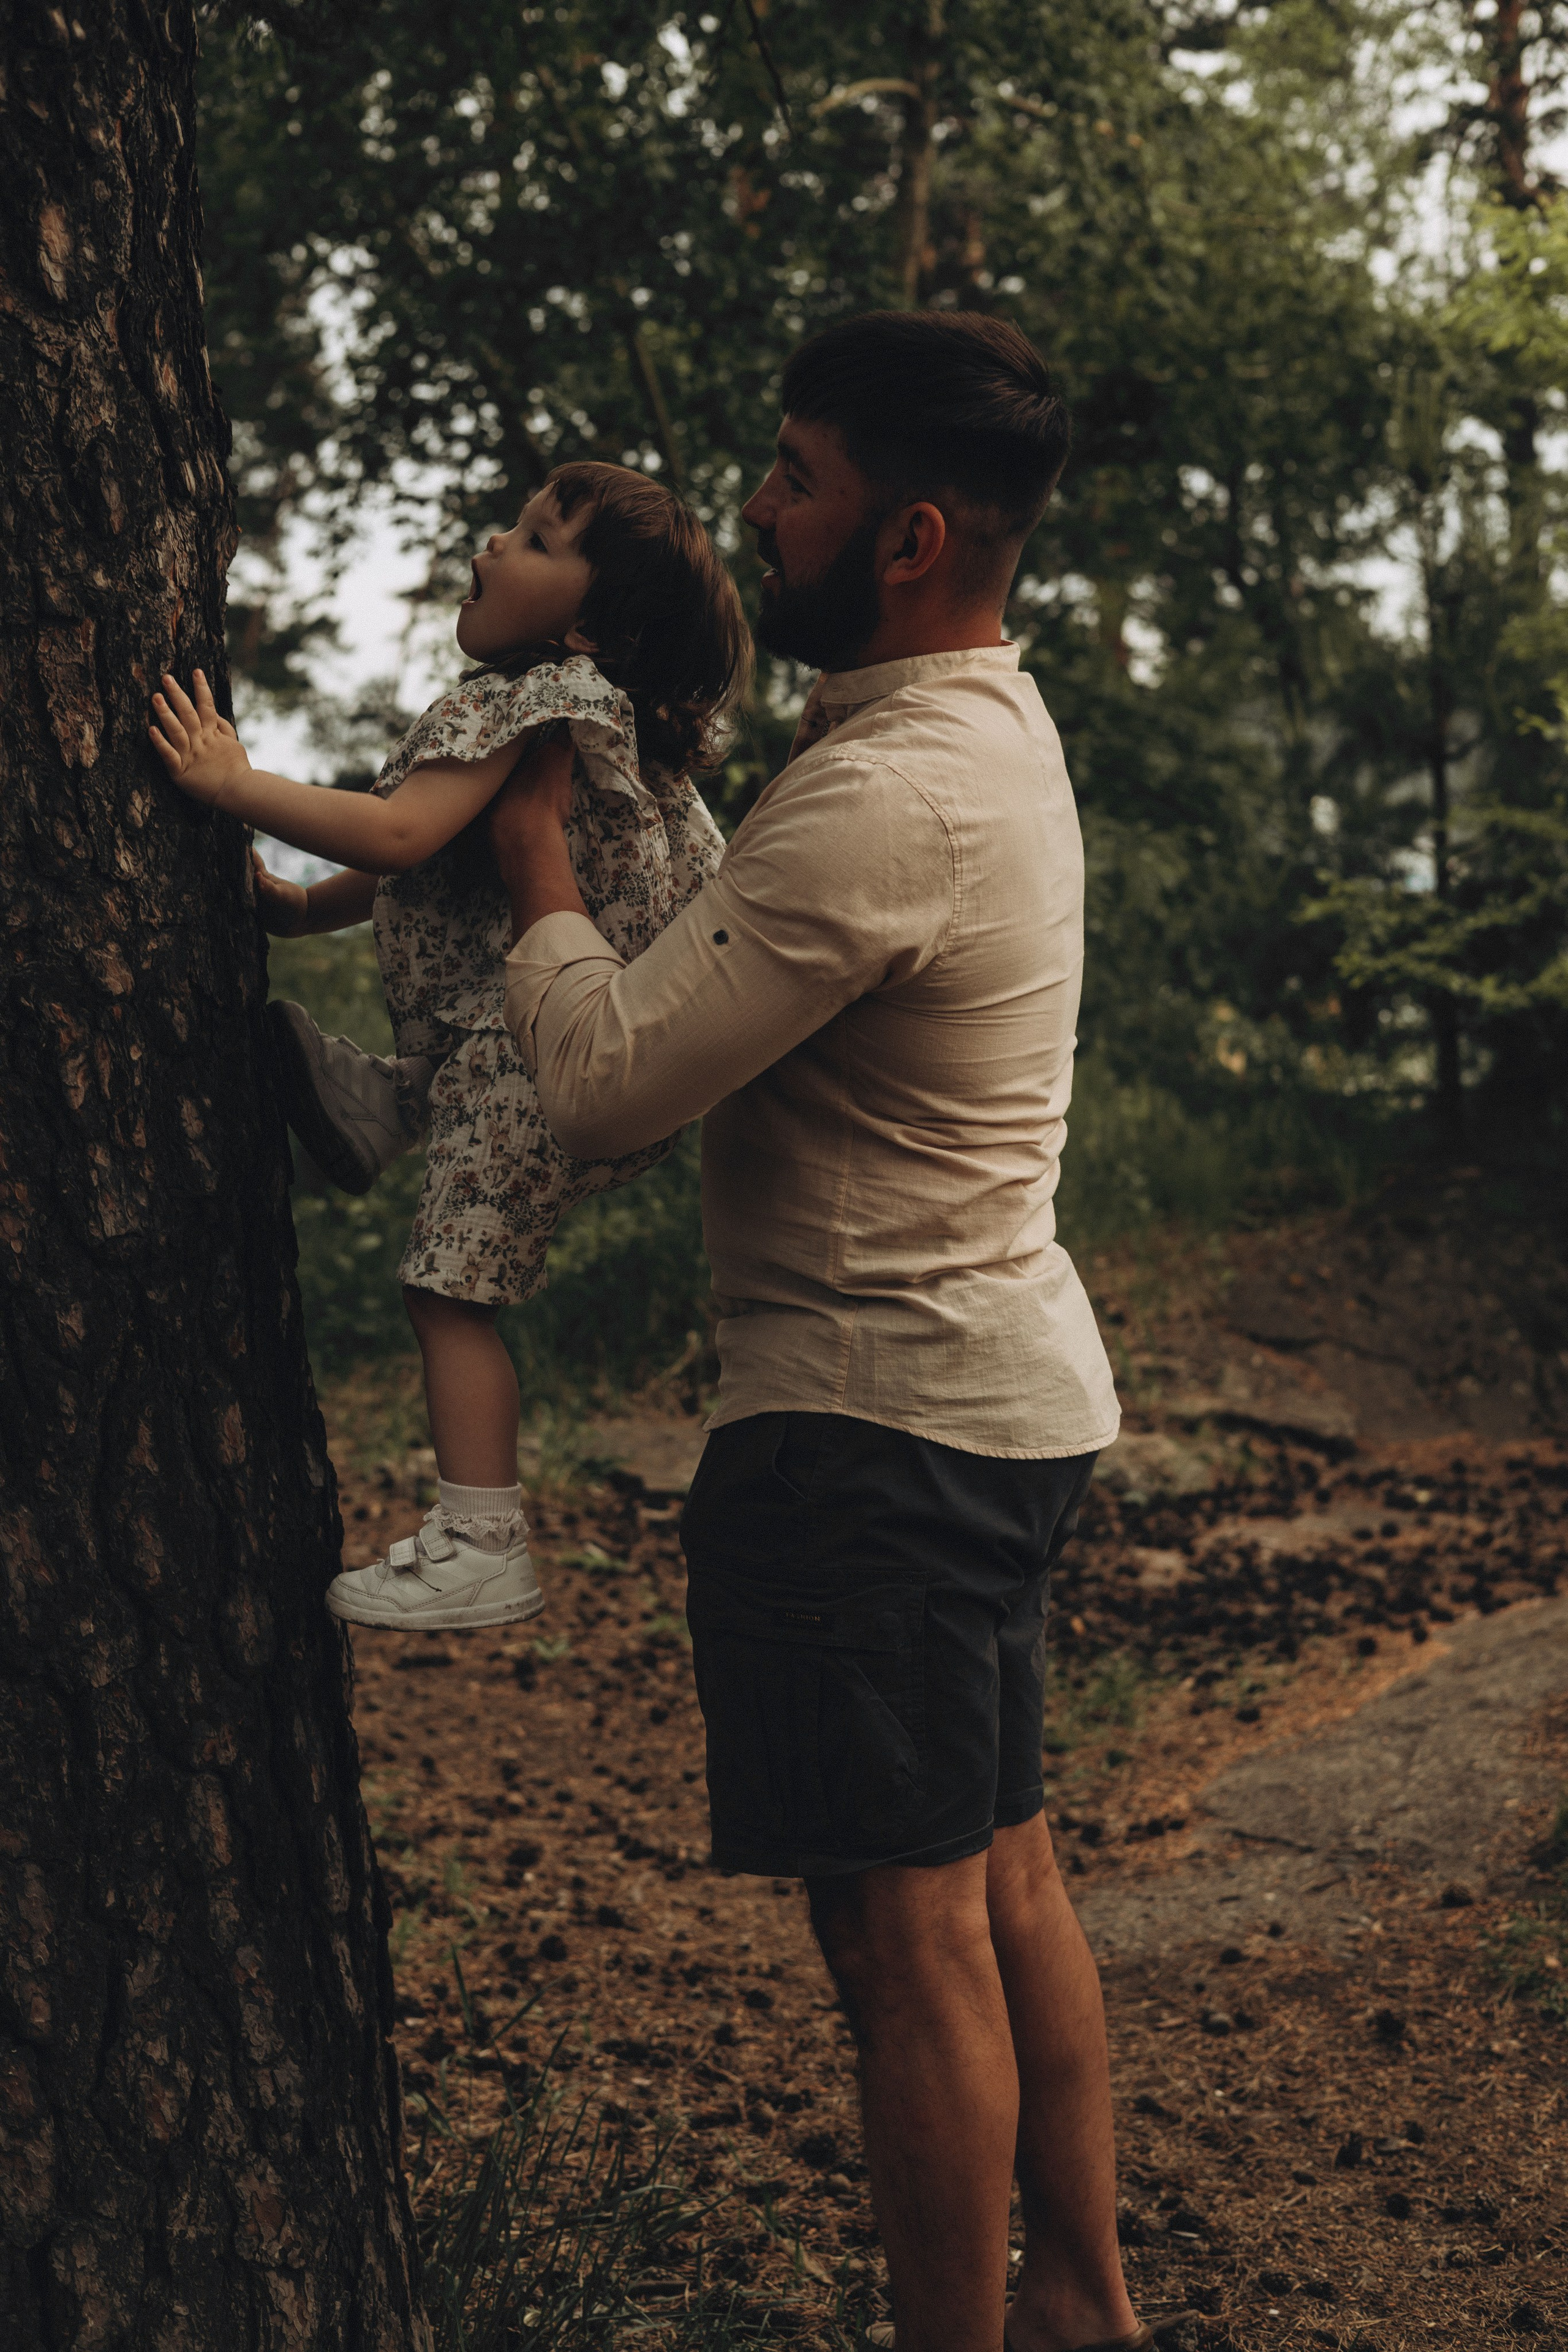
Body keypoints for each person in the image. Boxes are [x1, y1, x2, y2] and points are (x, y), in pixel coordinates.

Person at [488, 312, 1147, 2352]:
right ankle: (1084, 2313)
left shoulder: (886, 801)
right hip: (991, 1408)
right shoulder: (968, 737)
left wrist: (525, 856)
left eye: (793, 477)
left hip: (879, 1437)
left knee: (909, 1934)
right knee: (1001, 1879)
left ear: (911, 533)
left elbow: (601, 1094)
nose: (755, 505)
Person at [148, 463, 748, 1634]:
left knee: (449, 1295)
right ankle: (381, 1103)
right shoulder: (589, 723)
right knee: (455, 1171)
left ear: (589, 623)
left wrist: (236, 784)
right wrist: (299, 906)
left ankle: (483, 1542)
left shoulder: (535, 698)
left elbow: (400, 828)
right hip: (561, 1046)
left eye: (532, 537)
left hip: (542, 1057)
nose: (489, 545)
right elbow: (430, 863)